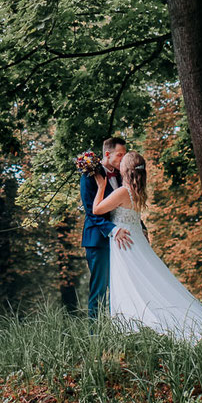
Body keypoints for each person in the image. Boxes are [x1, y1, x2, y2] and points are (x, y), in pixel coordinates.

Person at [92, 151, 202, 340]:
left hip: (124, 243)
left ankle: (133, 327)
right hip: (134, 239)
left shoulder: (122, 192)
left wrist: (101, 185)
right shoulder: (138, 192)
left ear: (126, 169)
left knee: (129, 281)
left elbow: (96, 210)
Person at [79, 136, 133, 318]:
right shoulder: (89, 176)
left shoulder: (122, 175)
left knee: (122, 286)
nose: (123, 159)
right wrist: (113, 229)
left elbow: (128, 204)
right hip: (98, 240)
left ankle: (120, 328)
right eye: (120, 155)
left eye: (125, 155)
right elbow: (91, 212)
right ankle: (95, 336)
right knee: (99, 289)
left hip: (122, 239)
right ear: (107, 154)